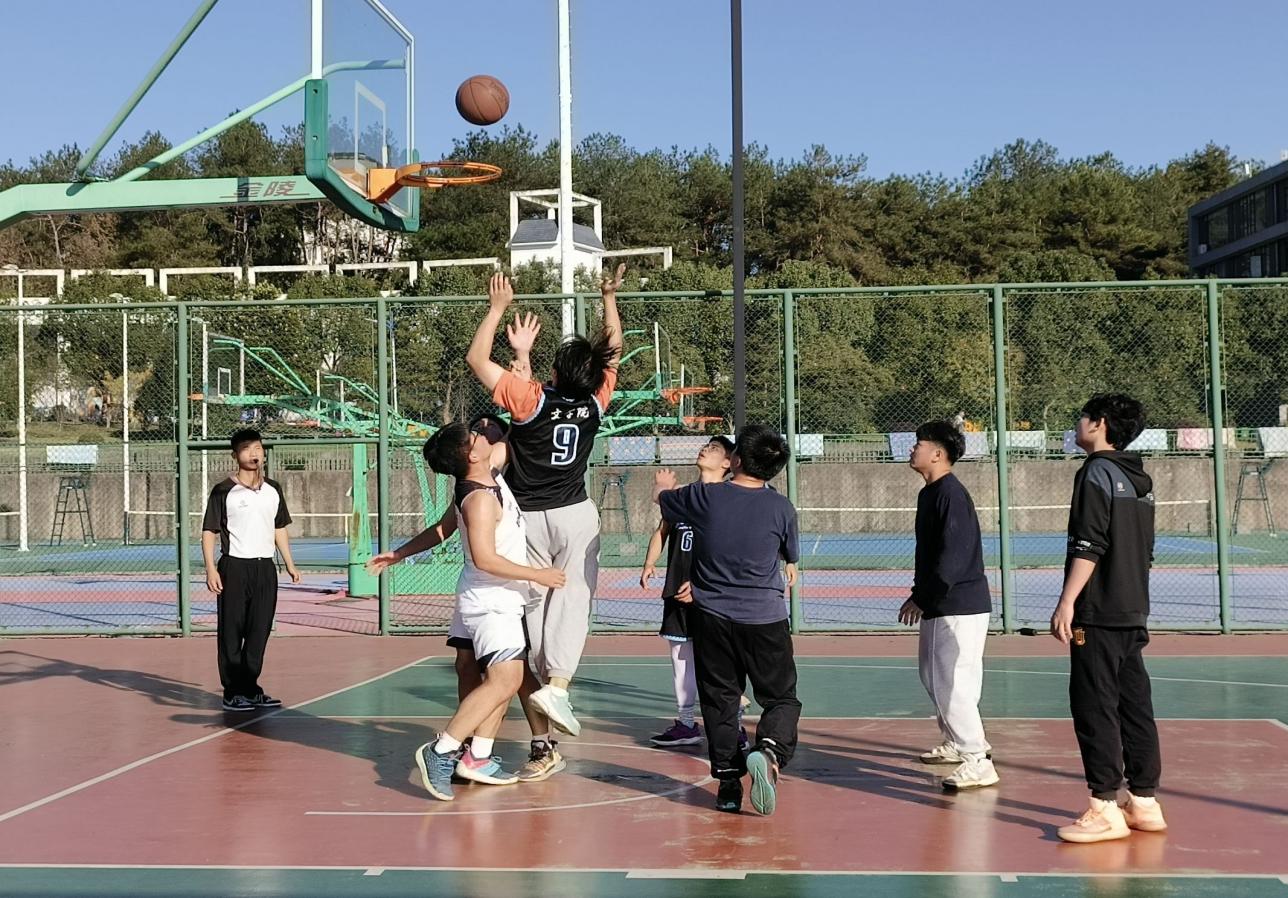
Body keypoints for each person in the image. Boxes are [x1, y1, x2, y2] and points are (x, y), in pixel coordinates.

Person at [465, 266, 623, 746]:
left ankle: (538, 678)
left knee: (533, 600)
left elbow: (476, 358)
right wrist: (608, 298)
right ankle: (557, 686)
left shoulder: (529, 399)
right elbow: (613, 351)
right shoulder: (596, 402)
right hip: (575, 514)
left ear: (553, 373)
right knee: (573, 598)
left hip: (527, 517)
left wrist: (497, 310)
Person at [411, 417, 567, 801]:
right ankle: (442, 750)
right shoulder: (480, 498)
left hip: (487, 597)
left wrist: (530, 393)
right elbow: (485, 558)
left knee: (502, 678)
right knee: (505, 680)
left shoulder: (486, 474)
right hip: (492, 601)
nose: (483, 435)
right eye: (476, 435)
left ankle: (478, 756)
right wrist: (538, 574)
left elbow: (515, 433)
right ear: (471, 454)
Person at [653, 424, 801, 816]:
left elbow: (665, 502)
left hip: (713, 617)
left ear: (735, 460)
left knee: (720, 700)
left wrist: (663, 488)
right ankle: (770, 750)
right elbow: (789, 552)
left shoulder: (705, 497)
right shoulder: (782, 508)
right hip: (765, 618)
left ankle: (729, 785)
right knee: (780, 697)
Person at [1051, 394, 1166, 843]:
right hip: (1132, 608)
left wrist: (1068, 601)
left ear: (1098, 424)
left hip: (1098, 611)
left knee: (1094, 705)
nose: (1077, 423)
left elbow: (1089, 543)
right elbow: (1145, 550)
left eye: (1082, 417)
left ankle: (1104, 806)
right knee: (1134, 705)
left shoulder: (1096, 472)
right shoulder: (1140, 478)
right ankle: (1144, 801)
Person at [898, 420, 998, 790]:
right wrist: (921, 593)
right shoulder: (931, 493)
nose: (913, 449)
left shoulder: (951, 495)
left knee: (953, 683)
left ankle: (977, 759)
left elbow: (952, 558)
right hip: (942, 603)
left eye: (919, 444)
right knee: (934, 677)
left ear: (938, 454)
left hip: (958, 605)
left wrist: (923, 597)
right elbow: (931, 555)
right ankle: (957, 742)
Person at [640, 436, 743, 748]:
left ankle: (734, 726)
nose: (705, 449)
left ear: (727, 463)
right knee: (680, 657)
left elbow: (735, 549)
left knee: (720, 661)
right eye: (705, 445)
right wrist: (649, 563)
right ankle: (686, 723)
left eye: (714, 448)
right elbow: (662, 530)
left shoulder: (731, 498)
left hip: (714, 593)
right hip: (678, 590)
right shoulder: (683, 496)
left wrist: (702, 586)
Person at [201, 428, 300, 712]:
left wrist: (289, 563)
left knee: (259, 631)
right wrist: (210, 569)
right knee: (232, 631)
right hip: (234, 567)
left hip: (264, 568)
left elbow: (279, 527)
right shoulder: (223, 490)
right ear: (235, 455)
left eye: (257, 447)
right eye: (246, 449)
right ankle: (232, 692)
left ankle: (251, 689)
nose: (254, 453)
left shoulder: (273, 489)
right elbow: (209, 531)